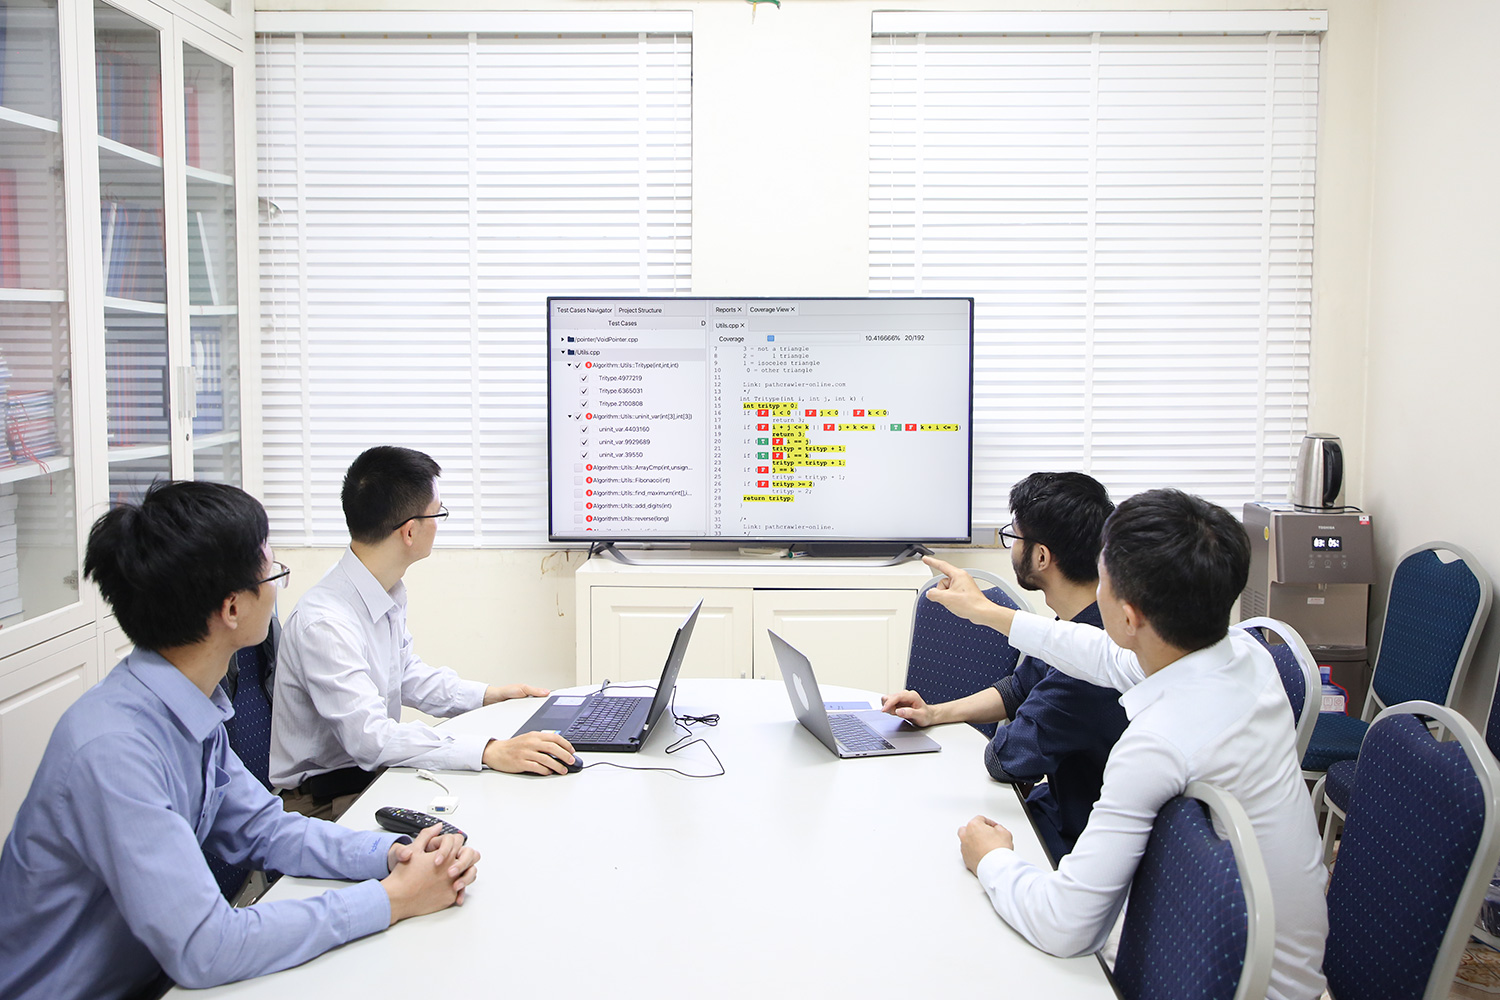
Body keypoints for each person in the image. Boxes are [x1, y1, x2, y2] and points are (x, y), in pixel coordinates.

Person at [0, 481, 479, 1000]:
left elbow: (265, 829)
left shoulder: (188, 704)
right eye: (272, 571)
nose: (278, 585)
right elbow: (207, 948)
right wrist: (392, 900)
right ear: (232, 609)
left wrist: (395, 854)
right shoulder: (113, 750)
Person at [927, 488, 1327, 1000]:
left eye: (1103, 579)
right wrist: (987, 612)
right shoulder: (1243, 655)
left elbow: (1064, 925)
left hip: (1233, 981)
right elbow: (1104, 654)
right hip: (1273, 957)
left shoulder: (1157, 744)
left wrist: (992, 859)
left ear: (1131, 617)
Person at [271, 446, 575, 818]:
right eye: (438, 513)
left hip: (369, 779)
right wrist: (488, 750)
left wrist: (487, 696)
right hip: (324, 803)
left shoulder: (380, 589)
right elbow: (370, 739)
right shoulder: (325, 623)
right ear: (410, 531)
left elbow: (404, 675)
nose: (439, 523)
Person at [880, 472, 1127, 860]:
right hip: (1055, 804)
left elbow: (1005, 758)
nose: (1011, 548)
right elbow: (1017, 688)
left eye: (1014, 537)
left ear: (1041, 556)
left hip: (1078, 838)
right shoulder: (1081, 622)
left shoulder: (1086, 667)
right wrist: (934, 713)